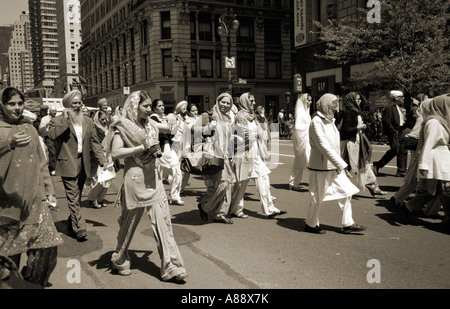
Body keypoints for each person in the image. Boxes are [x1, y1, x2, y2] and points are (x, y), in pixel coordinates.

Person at [108, 90, 187, 281]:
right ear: (135, 107)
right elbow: (116, 152)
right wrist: (141, 147)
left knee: (164, 222)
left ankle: (172, 266)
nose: (148, 109)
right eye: (145, 106)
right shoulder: (124, 126)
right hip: (135, 180)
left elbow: (168, 129)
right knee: (129, 224)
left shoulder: (150, 123)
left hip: (154, 178)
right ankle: (119, 258)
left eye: (150, 106)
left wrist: (175, 118)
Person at [0, 87, 63, 287]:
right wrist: (8, 143)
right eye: (11, 104)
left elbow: (41, 163)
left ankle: (33, 281)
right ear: (2, 105)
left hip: (36, 201)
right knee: (11, 257)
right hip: (8, 204)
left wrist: (50, 192)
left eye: (20, 103)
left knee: (48, 249)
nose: (17, 108)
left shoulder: (30, 128)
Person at [47, 90, 107, 242]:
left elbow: (95, 143)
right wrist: (67, 120)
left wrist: (103, 161)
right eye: (74, 103)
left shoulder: (87, 121)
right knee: (73, 197)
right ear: (67, 105)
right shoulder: (58, 120)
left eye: (79, 102)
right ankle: (80, 228)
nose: (78, 105)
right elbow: (51, 135)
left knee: (77, 196)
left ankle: (71, 221)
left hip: (84, 163)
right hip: (67, 163)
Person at [304, 93, 366, 235]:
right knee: (317, 197)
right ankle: (311, 223)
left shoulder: (330, 120)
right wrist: (342, 165)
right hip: (321, 167)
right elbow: (323, 145)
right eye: (332, 106)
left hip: (334, 165)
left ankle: (348, 223)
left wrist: (340, 165)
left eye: (336, 106)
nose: (335, 109)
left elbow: (335, 146)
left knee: (346, 192)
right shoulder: (316, 121)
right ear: (325, 105)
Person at [230, 92, 286, 219]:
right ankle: (235, 208)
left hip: (255, 154)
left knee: (263, 177)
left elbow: (260, 132)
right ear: (244, 101)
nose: (254, 103)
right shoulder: (240, 117)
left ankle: (269, 208)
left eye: (254, 100)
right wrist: (256, 134)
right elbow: (241, 136)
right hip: (244, 154)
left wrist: (259, 134)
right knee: (241, 184)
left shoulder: (252, 116)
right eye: (251, 101)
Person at [400, 94, 450, 230]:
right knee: (443, 190)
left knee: (436, 191)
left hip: (441, 161)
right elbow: (427, 145)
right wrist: (423, 164)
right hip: (437, 161)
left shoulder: (441, 121)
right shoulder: (434, 122)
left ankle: (409, 206)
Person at [391, 98, 439, 213]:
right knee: (415, 179)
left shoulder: (431, 118)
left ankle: (428, 208)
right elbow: (418, 135)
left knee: (421, 181)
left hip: (422, 151)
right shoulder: (428, 120)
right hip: (420, 151)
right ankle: (400, 199)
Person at [194, 93, 236, 224]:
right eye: (223, 102)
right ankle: (205, 206)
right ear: (217, 101)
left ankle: (220, 213)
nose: (225, 105)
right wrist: (207, 128)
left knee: (227, 184)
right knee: (222, 184)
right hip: (213, 155)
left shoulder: (229, 118)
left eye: (228, 103)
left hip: (227, 156)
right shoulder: (209, 115)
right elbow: (193, 130)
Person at [340, 92, 386, 197]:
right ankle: (374, 187)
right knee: (360, 166)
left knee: (356, 166)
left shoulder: (355, 112)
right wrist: (359, 127)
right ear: (351, 100)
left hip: (356, 141)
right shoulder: (349, 113)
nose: (360, 101)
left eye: (360, 99)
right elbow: (346, 130)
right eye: (357, 99)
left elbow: (365, 102)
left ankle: (374, 186)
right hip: (351, 143)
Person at [150, 99, 185, 206]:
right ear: (154, 108)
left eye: (163, 105)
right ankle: (158, 196)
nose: (162, 107)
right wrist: (173, 119)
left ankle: (174, 196)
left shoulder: (166, 117)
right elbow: (168, 129)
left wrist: (172, 117)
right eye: (159, 106)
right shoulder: (152, 118)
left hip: (168, 146)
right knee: (161, 172)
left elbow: (174, 131)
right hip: (159, 147)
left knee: (175, 170)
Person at [373, 90, 408, 177]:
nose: (403, 99)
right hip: (394, 132)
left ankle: (401, 171)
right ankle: (378, 164)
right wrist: (393, 131)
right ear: (396, 98)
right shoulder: (390, 108)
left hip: (401, 131)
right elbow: (387, 121)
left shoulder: (399, 107)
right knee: (395, 149)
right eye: (401, 97)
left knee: (403, 150)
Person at [87, 110, 114, 208]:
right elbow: (94, 143)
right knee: (98, 178)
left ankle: (100, 198)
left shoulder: (108, 127)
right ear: (97, 118)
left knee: (108, 178)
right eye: (102, 119)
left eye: (105, 119)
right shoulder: (94, 127)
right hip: (98, 156)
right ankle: (92, 198)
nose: (104, 121)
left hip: (108, 155)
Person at [289, 93, 312, 191]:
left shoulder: (306, 111)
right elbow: (298, 127)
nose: (310, 102)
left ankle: (293, 183)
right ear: (303, 100)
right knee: (310, 162)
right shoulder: (300, 111)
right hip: (303, 141)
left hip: (307, 139)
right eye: (308, 100)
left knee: (299, 162)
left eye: (311, 100)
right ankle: (316, 184)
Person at [38, 105, 58, 176]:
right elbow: (40, 128)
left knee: (57, 152)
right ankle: (52, 169)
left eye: (55, 111)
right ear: (49, 111)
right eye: (53, 111)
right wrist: (47, 124)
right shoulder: (45, 118)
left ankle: (56, 168)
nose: (54, 113)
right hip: (48, 137)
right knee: (52, 152)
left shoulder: (57, 118)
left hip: (56, 137)